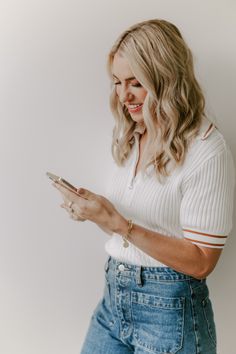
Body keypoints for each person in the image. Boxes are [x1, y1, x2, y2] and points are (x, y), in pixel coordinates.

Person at [52, 19, 235, 354]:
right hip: (113, 300)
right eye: (118, 83)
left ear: (166, 79)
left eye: (136, 83)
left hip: (171, 316)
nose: (124, 96)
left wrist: (118, 223)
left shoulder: (207, 150)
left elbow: (202, 261)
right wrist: (97, 213)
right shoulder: (133, 134)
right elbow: (135, 230)